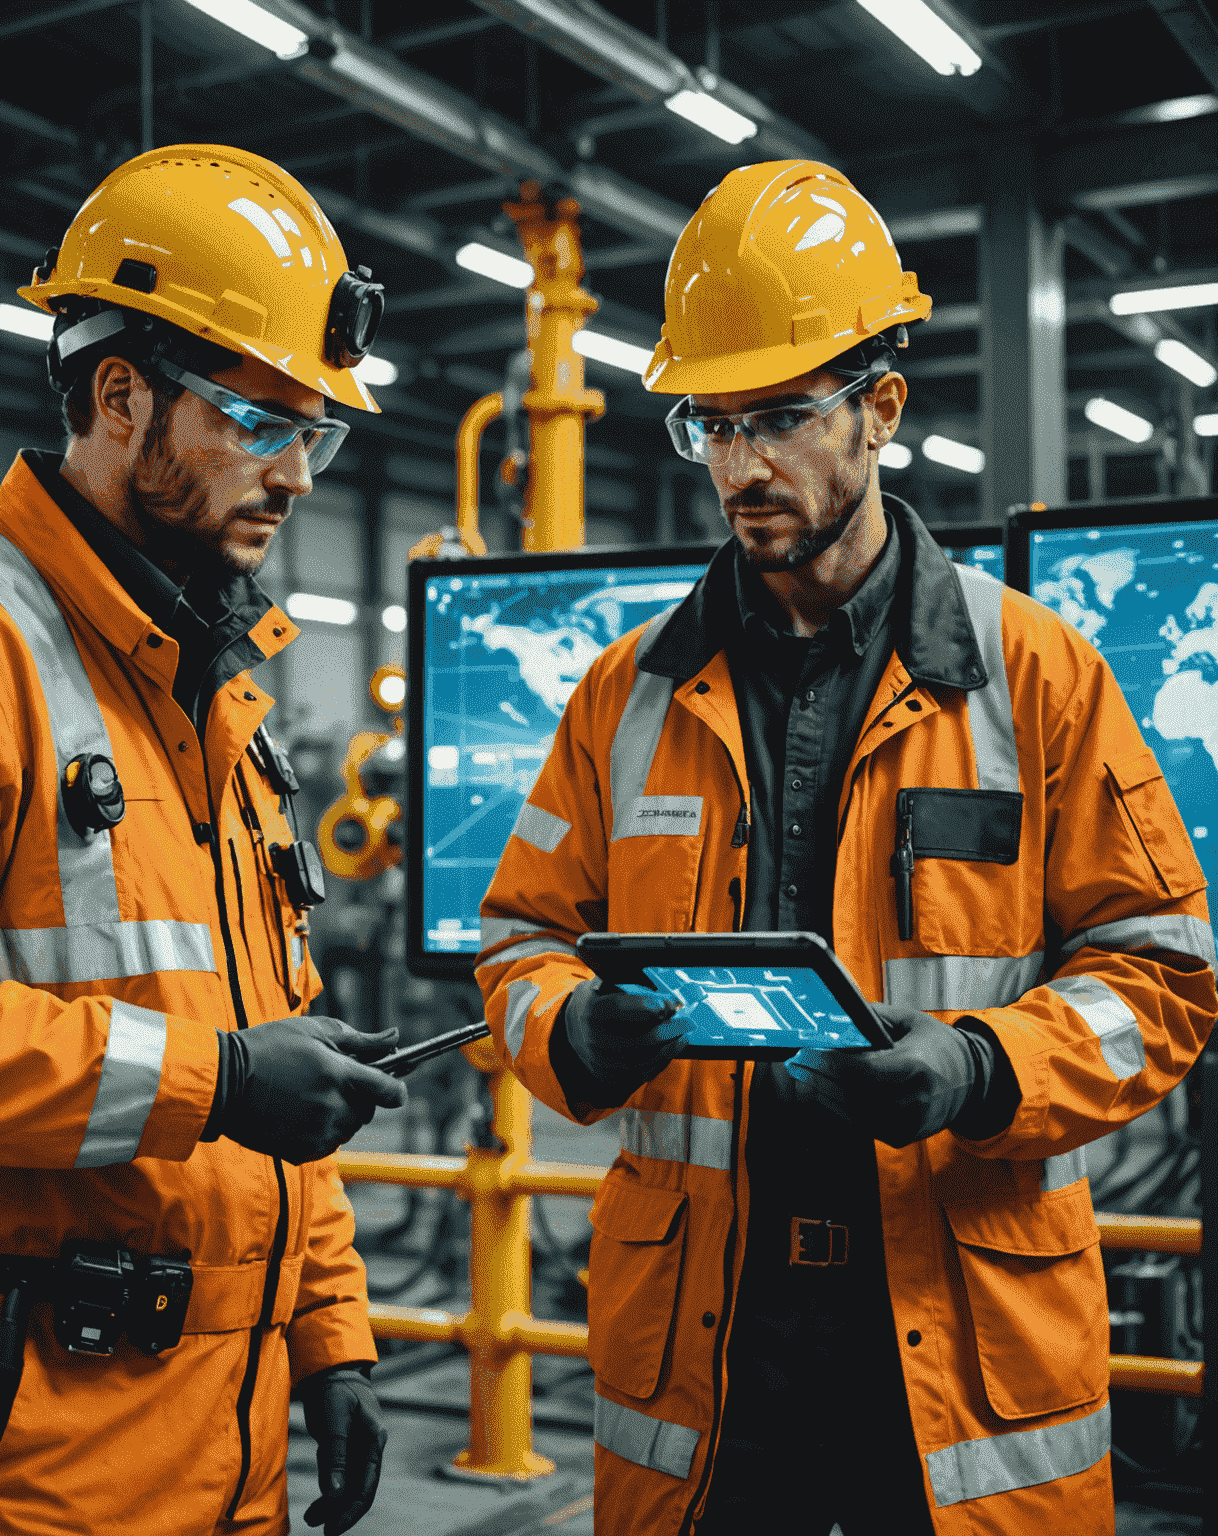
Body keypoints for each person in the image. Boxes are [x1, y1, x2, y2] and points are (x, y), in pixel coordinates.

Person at [476, 159, 1214, 1536]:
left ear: (881, 408)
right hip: (710, 1352)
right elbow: (521, 937)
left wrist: (982, 1063)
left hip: (953, 1347)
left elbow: (1162, 971)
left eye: (781, 418)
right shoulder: (623, 696)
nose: (740, 464)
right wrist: (572, 1034)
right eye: (712, 423)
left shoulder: (1036, 677)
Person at [0, 145, 408, 1536]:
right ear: (121, 396)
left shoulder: (209, 694)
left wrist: (330, 1334)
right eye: (258, 420)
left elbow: (273, 1026)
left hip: (223, 1439)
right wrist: (213, 1081)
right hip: (24, 1446)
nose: (297, 473)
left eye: (319, 434)